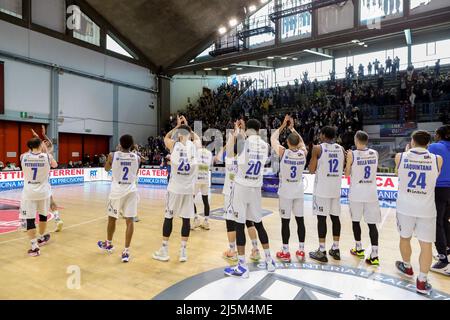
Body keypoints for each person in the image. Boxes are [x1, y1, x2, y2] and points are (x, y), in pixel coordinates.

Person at [224, 119, 275, 278]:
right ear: (259, 130)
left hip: (241, 187)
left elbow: (229, 154)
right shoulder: (266, 146)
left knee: (239, 225)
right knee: (258, 224)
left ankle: (242, 266)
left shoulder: (243, 143)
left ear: (248, 130)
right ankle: (269, 260)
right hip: (256, 188)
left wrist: (236, 133)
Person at [395, 131, 442, 295]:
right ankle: (422, 281)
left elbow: (397, 174)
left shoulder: (400, 157)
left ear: (412, 142)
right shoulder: (437, 159)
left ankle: (407, 267)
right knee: (426, 245)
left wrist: (408, 152)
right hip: (426, 208)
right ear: (428, 143)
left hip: (405, 207)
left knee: (404, 238)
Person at [153, 115, 200, 262]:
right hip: (188, 190)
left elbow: (165, 137)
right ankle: (183, 251)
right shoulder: (194, 146)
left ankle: (164, 249)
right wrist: (188, 128)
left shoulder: (174, 145)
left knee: (169, 217)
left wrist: (177, 127)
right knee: (186, 220)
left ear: (179, 135)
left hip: (174, 189)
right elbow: (196, 138)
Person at [219, 121, 261, 264]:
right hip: (247, 191)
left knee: (231, 223)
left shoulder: (229, 158)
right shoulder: (247, 156)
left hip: (231, 194)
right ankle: (255, 249)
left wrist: (235, 132)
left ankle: (232, 251)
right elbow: (245, 143)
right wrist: (242, 131)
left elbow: (221, 153)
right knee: (249, 221)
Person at [97, 134, 140, 263]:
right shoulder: (137, 157)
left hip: (116, 190)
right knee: (130, 221)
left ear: (120, 144)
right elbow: (135, 172)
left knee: (112, 219)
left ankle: (109, 244)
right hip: (131, 190)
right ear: (132, 145)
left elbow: (106, 169)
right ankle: (126, 251)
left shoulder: (112, 155)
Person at [271, 115, 307, 263]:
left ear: (286, 142)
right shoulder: (302, 153)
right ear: (298, 143)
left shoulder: (283, 152)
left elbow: (273, 139)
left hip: (286, 192)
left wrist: (281, 127)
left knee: (285, 222)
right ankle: (302, 250)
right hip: (298, 191)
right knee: (300, 221)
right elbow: (303, 143)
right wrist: (292, 128)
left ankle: (285, 251)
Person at [308, 126, 345, 263]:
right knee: (335, 219)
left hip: (322, 190)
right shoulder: (341, 149)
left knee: (322, 219)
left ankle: (322, 250)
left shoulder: (318, 148)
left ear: (323, 135)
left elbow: (311, 170)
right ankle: (335, 248)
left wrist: (313, 158)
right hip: (335, 189)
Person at [345, 131, 381, 266]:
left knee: (356, 221)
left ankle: (359, 248)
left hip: (356, 193)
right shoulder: (375, 153)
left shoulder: (352, 154)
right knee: (372, 225)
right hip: (371, 193)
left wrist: (348, 162)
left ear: (356, 140)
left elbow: (347, 174)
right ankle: (375, 255)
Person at [20, 137, 58, 256]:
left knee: (30, 219)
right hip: (43, 192)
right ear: (41, 145)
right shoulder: (47, 157)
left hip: (29, 192)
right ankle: (41, 237)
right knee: (43, 216)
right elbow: (55, 165)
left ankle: (34, 247)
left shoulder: (23, 156)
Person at [31, 126, 63, 232]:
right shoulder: (47, 153)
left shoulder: (46, 151)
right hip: (44, 179)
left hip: (38, 181)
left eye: (46, 142)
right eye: (44, 141)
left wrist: (40, 135)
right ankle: (57, 219)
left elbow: (42, 143)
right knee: (50, 201)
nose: (46, 142)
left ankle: (26, 222)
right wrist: (41, 135)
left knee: (33, 202)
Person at [428, 125, 450, 275]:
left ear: (439, 135)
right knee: (445, 220)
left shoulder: (434, 146)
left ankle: (443, 260)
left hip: (439, 188)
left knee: (436, 223)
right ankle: (447, 249)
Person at [192, 140, 213, 230]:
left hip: (196, 179)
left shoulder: (196, 151)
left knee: (190, 200)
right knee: (205, 201)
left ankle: (196, 219)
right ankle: (206, 221)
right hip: (205, 178)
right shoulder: (210, 153)